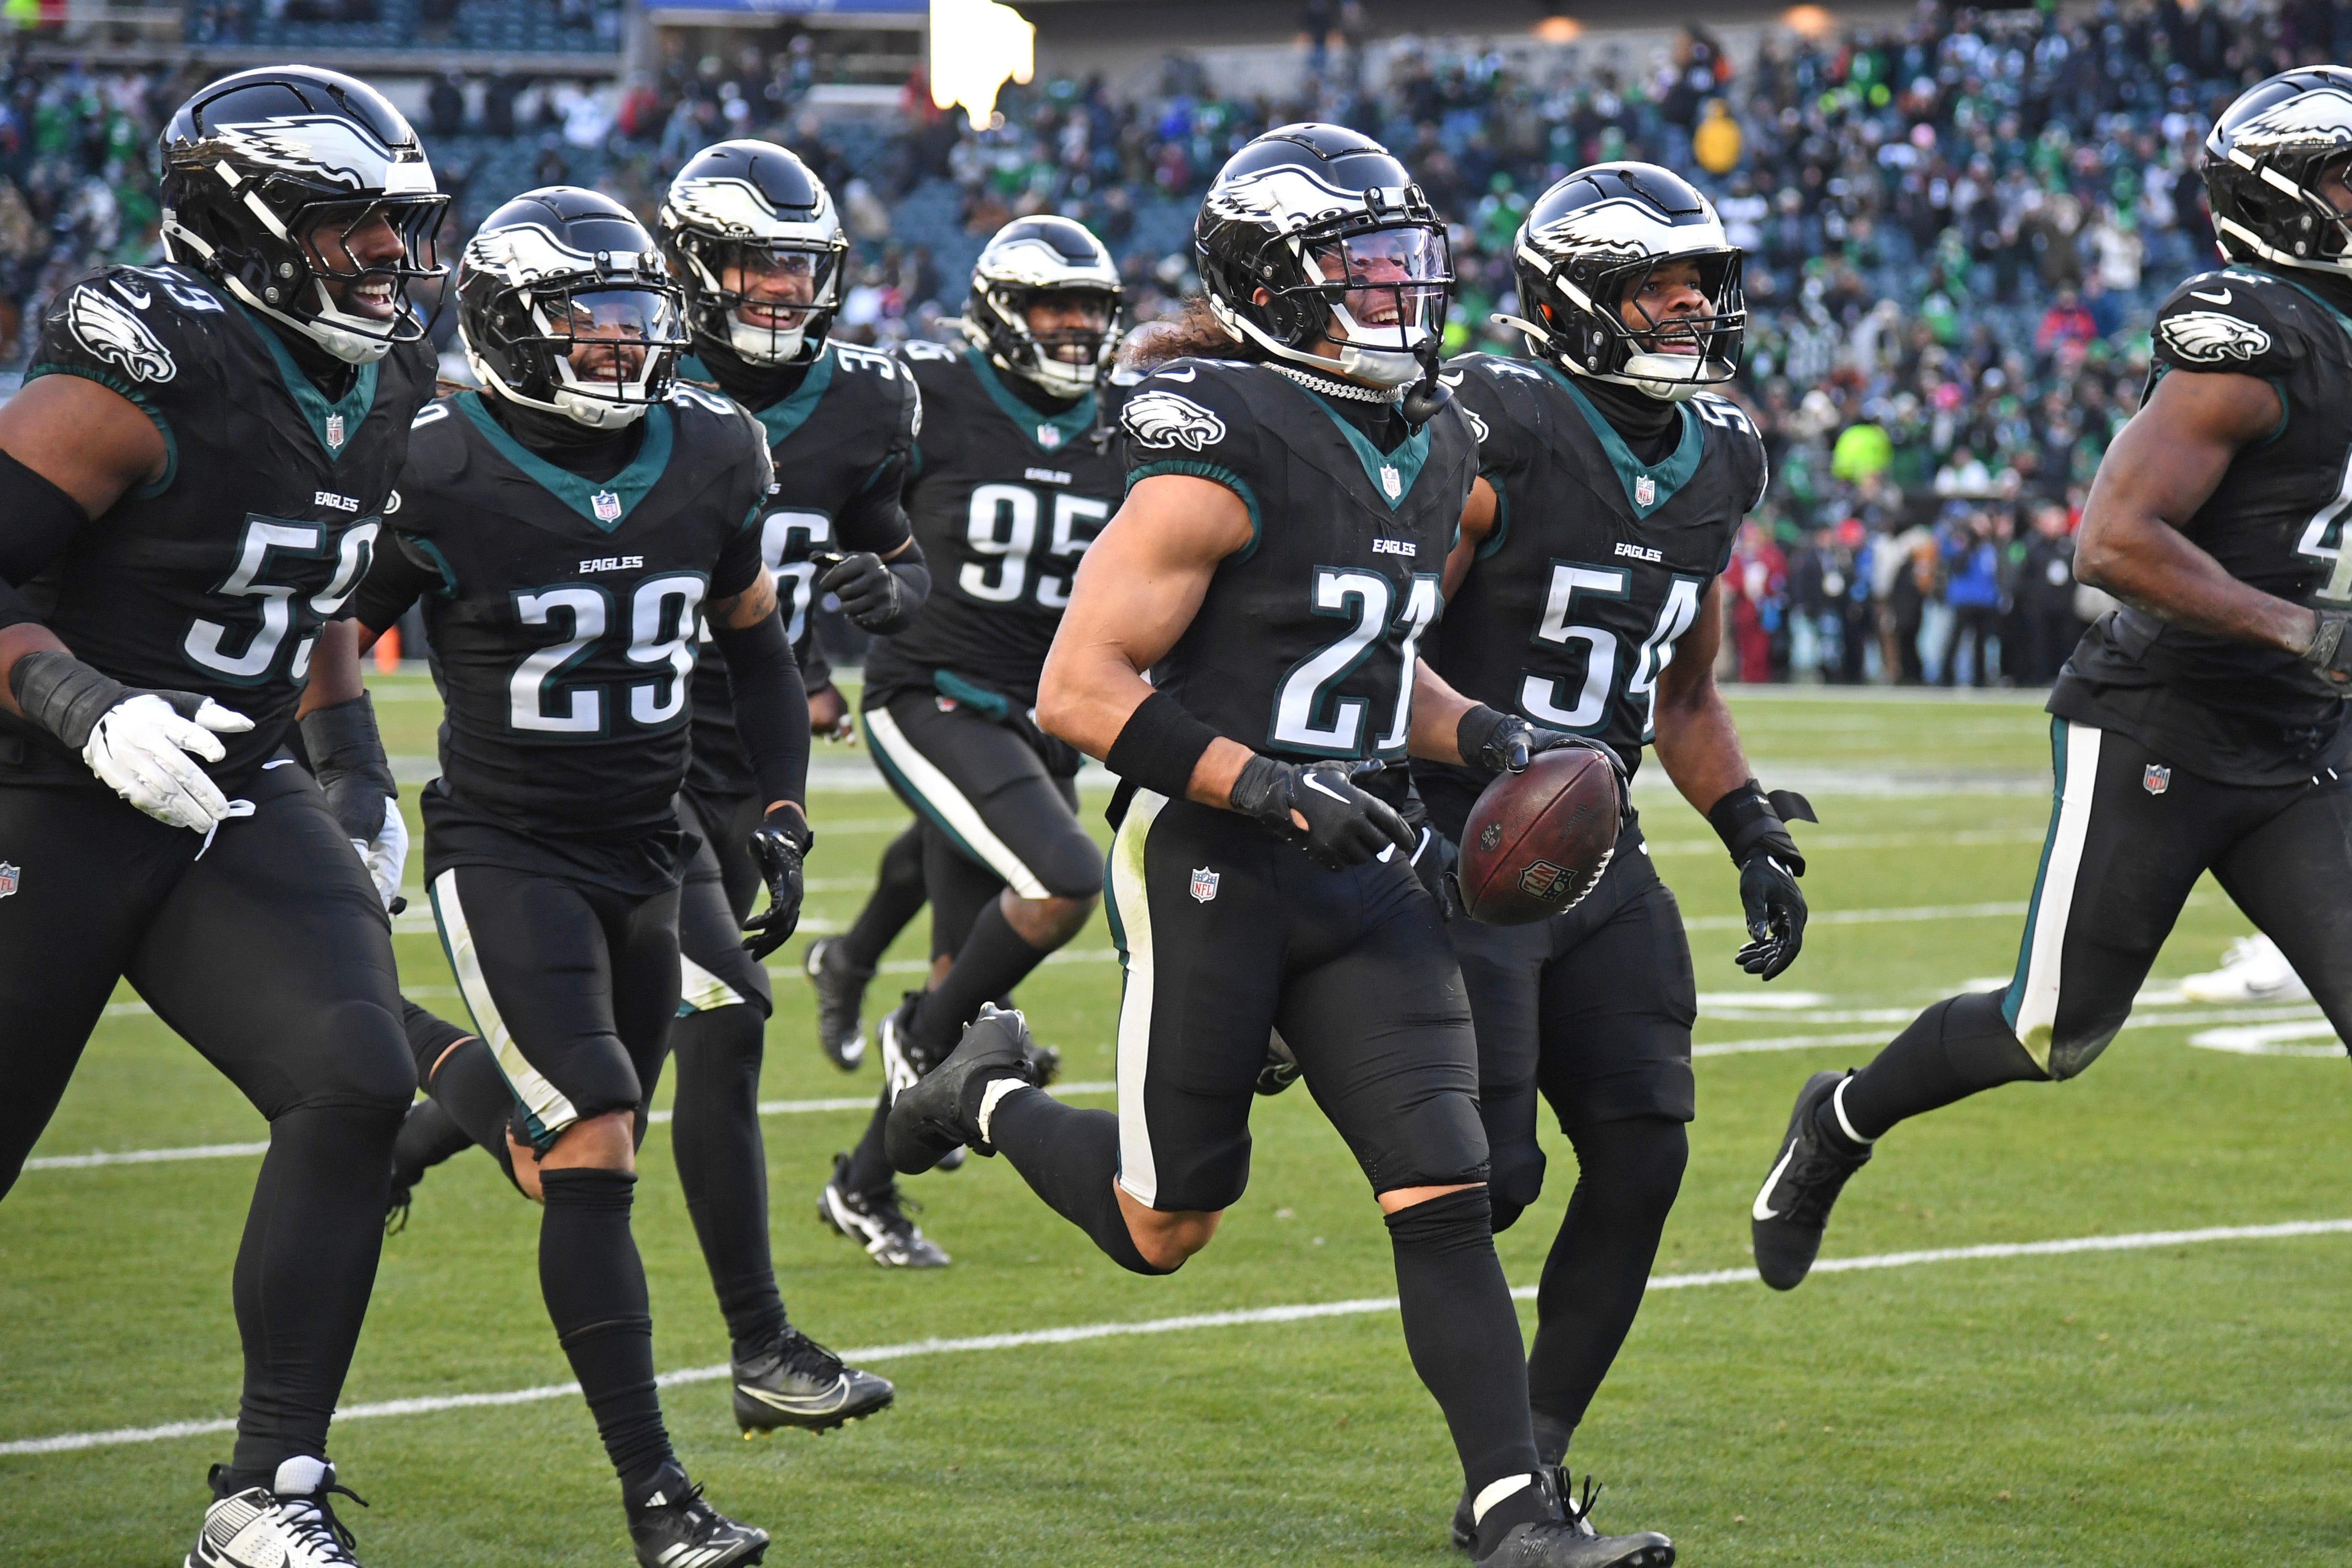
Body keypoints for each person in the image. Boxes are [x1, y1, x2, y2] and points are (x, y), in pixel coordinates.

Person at [886, 123, 1674, 1568]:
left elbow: (1373, 668)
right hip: (1209, 860)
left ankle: (1510, 1510)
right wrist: (1268, 789)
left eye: (1406, 266)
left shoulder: (1432, 436)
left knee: (1441, 1190)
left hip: (1359, 865)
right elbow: (1082, 688)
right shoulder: (1218, 430)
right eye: (1362, 271)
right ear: (1274, 284)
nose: (1399, 296)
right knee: (1164, 1225)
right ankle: (981, 1097)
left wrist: (1488, 738)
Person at [1751, 67, 2352, 1293]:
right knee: (2052, 1028)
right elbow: (2113, 543)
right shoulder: (2249, 339)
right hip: (2162, 726)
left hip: (2301, 748)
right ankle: (1840, 1122)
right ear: (2291, 203)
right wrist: (2302, 633)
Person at [385, 138, 906, 1438]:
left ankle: (407, 1138)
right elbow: (353, 609)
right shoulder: (525, 426)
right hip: (617, 781)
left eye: (800, 271)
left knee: (631, 1064)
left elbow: (897, 572)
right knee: (684, 1041)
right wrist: (335, 764)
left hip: (717, 776)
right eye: (753, 267)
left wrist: (898, 604)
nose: (780, 295)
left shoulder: (836, 412)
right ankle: (760, 1345)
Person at [0, 67, 437, 1568]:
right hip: (41, 789)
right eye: (351, 225)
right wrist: (77, 703)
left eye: (398, 222)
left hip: (231, 789)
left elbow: (309, 592)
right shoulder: (145, 365)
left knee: (356, 1081)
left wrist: (355, 768)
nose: (388, 253)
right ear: (239, 227)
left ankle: (269, 1492)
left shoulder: (377, 379)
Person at [344, 187, 803, 1568]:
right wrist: (337, 782)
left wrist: (774, 805)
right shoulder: (434, 462)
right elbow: (320, 639)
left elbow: (758, 647)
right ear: (505, 324)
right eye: (586, 318)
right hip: (507, 846)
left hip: (647, 844)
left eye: (634, 316)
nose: (619, 343)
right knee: (597, 1137)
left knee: (571, 1165)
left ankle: (417, 1095)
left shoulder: (714, 447)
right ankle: (657, 1499)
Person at [1429, 161, 1805, 1550]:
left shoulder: (1718, 452)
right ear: (1570, 299)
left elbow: (1683, 690)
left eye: (1700, 283)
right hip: (1455, 833)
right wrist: (1461, 764)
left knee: (1643, 1148)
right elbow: (1374, 645)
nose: (1689, 307)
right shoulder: (1498, 422)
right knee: (1492, 1179)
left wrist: (1746, 824)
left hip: (1592, 842)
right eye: (1656, 285)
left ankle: (1525, 1467)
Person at [814, 216, 1126, 1269]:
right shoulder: (930, 394)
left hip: (1046, 721)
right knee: (1063, 878)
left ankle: (862, 1187)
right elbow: (825, 492)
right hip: (931, 692)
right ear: (1001, 314)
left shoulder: (1125, 421)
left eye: (1092, 308)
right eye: (1056, 307)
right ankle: (897, 1016)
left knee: (964, 998)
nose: (1078, 327)